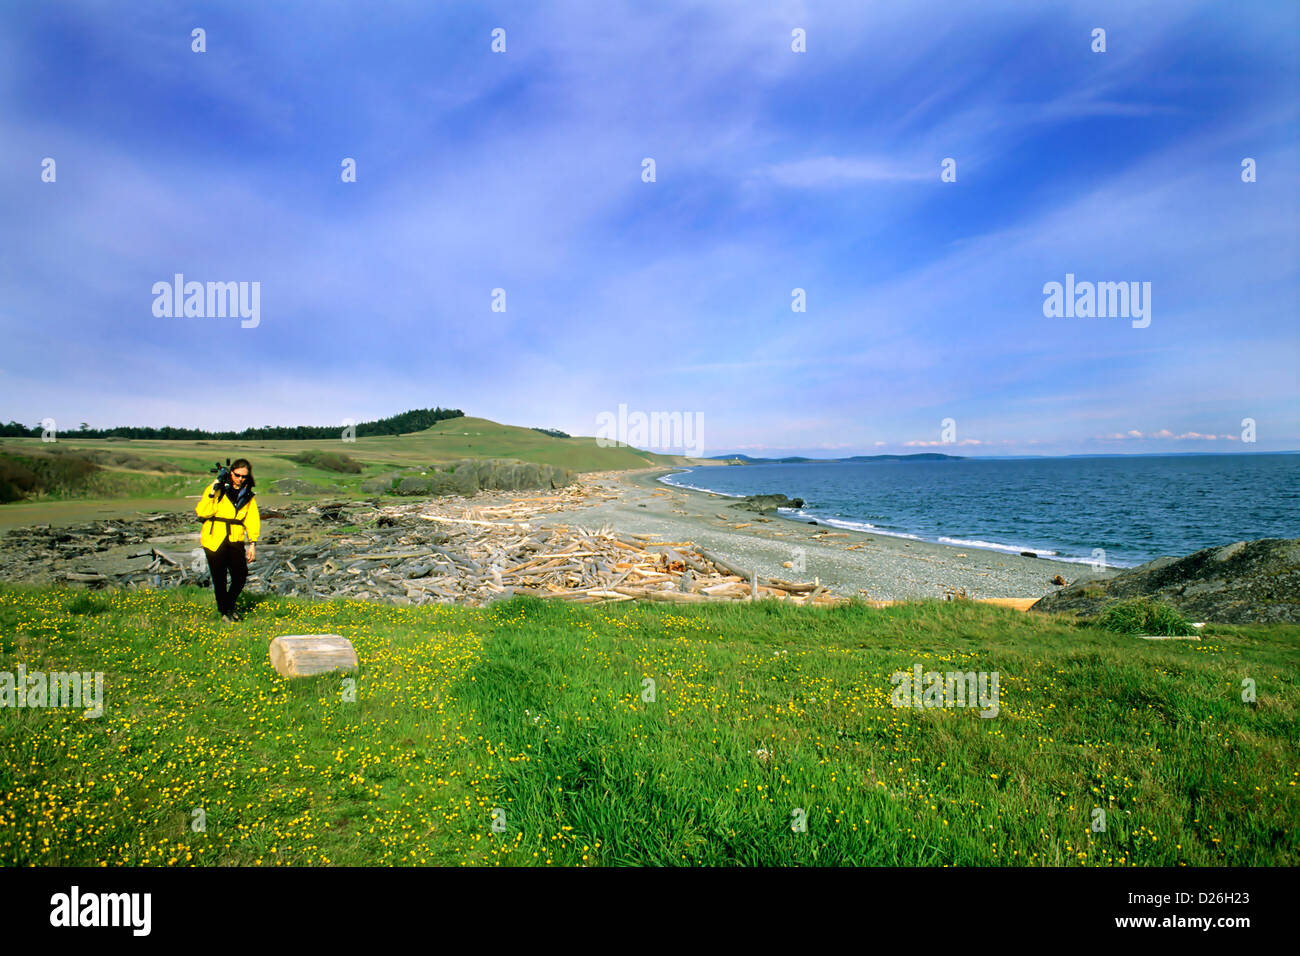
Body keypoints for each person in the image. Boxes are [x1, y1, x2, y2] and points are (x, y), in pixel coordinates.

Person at [196, 458, 260, 623]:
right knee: (219, 578)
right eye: (237, 475)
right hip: (214, 537)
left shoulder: (247, 495)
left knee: (241, 575)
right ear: (231, 473)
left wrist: (252, 543)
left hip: (235, 538)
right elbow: (203, 512)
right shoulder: (216, 490)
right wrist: (213, 491)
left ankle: (229, 606)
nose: (240, 479)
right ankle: (225, 612)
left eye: (244, 476)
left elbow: (252, 519)